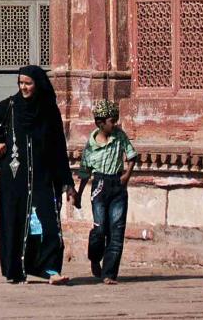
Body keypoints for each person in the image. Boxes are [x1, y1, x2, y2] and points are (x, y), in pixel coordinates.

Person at [0, 65, 70, 284]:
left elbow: (59, 147)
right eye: (21, 83)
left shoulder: (49, 110)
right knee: (16, 222)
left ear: (38, 84)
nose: (24, 88)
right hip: (14, 178)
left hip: (44, 178)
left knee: (48, 223)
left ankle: (49, 270)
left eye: (28, 83)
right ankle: (15, 270)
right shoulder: (11, 106)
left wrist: (67, 182)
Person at [73, 97, 137, 283]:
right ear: (100, 123)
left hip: (117, 185)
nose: (114, 124)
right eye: (111, 121)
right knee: (100, 229)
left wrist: (126, 175)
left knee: (116, 231)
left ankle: (109, 274)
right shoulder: (91, 146)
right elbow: (85, 172)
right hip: (99, 186)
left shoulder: (120, 136)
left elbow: (132, 156)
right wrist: (79, 194)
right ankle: (95, 257)